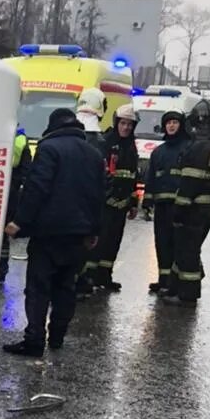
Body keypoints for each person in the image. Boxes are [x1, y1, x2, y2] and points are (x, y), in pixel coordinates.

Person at [2, 107, 105, 357]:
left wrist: (20, 222)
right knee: (65, 286)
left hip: (49, 233)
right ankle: (57, 337)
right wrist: (94, 230)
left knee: (39, 287)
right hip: (79, 235)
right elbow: (99, 194)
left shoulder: (49, 149)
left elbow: (37, 188)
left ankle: (35, 340)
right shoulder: (93, 154)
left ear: (53, 126)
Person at [162, 98, 210, 306]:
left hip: (193, 209)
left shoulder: (198, 148)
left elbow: (188, 187)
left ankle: (187, 294)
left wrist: (178, 211)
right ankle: (174, 286)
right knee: (188, 248)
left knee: (187, 250)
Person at [82, 102, 139, 292]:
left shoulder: (131, 147)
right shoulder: (106, 142)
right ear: (117, 123)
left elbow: (132, 176)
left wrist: (133, 202)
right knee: (98, 241)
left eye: (130, 125)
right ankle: (88, 278)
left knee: (113, 242)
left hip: (121, 204)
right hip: (105, 203)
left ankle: (104, 276)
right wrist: (105, 196)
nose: (126, 127)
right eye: (123, 123)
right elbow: (100, 173)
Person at [143, 108, 193, 294]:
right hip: (162, 206)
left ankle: (175, 282)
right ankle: (163, 280)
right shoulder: (158, 151)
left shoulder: (188, 148)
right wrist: (147, 202)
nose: (171, 126)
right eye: (168, 123)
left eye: (175, 122)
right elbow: (151, 179)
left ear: (181, 126)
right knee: (162, 243)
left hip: (181, 206)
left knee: (178, 244)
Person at [0, 125, 32, 285]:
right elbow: (26, 172)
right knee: (3, 237)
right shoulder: (21, 140)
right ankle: (0, 273)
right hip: (10, 194)